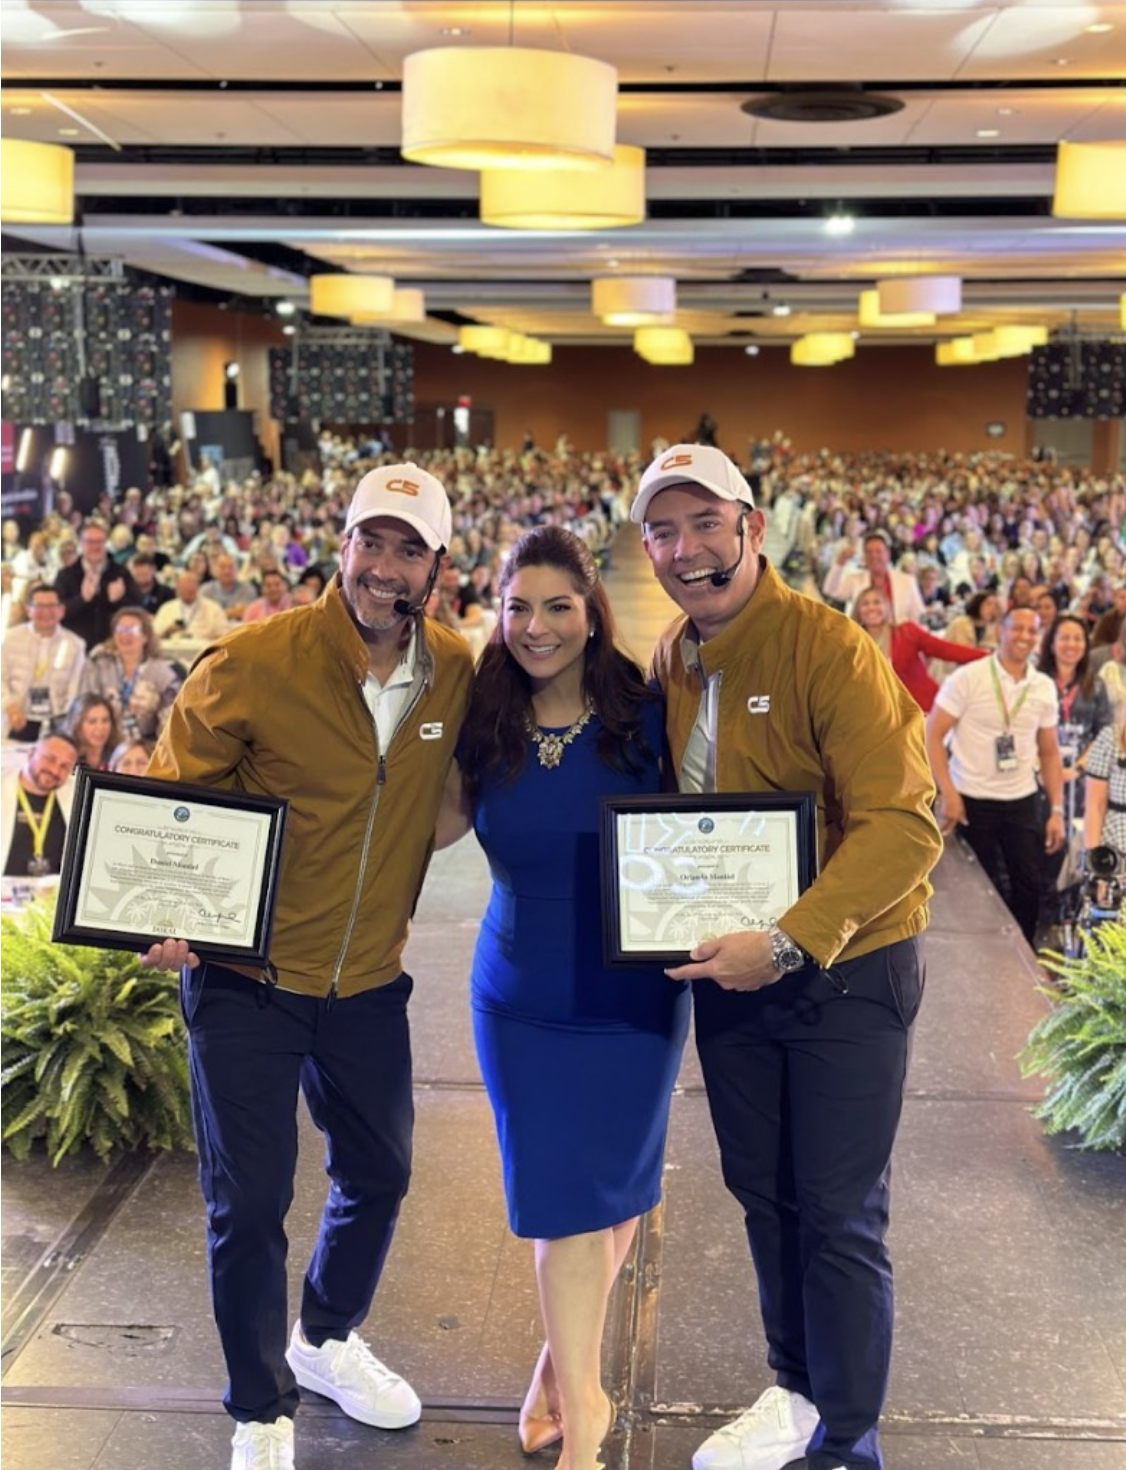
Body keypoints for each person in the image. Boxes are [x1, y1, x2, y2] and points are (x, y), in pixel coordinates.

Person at [141, 463, 473, 1470]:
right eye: (369, 540)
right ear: (340, 547)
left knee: (379, 1169)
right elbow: (169, 805)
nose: (383, 565)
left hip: (368, 976)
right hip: (248, 980)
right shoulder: (254, 659)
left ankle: (324, 1338)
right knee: (248, 1201)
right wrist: (159, 912)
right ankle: (259, 1406)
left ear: (438, 567)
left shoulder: (454, 673)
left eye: (408, 548)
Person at [631, 444, 942, 1470]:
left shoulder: (829, 649)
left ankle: (848, 1438)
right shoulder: (674, 656)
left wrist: (792, 940)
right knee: (764, 1191)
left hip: (847, 970)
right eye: (664, 532)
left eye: (705, 525)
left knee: (840, 1210)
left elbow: (904, 825)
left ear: (751, 530)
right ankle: (795, 1390)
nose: (687, 550)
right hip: (737, 973)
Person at [437, 526, 689, 1470]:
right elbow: (415, 831)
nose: (535, 627)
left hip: (632, 995)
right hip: (522, 997)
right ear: (496, 614)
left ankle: (557, 1366)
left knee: (615, 1196)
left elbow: (714, 827)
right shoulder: (481, 716)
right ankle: (586, 1411)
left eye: (557, 607)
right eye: (517, 607)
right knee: (560, 1203)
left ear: (592, 614)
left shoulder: (647, 713)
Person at [926, 607, 1065, 946]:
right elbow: (933, 734)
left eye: (1031, 631)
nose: (1024, 636)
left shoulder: (1043, 686)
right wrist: (949, 793)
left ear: (1039, 637)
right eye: (1016, 628)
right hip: (972, 799)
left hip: (1021, 798)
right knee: (982, 886)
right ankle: (985, 952)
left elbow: (1049, 750)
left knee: (1028, 883)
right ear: (1000, 631)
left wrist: (1058, 810)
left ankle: (1023, 952)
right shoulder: (968, 677)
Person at [852, 586, 987, 712]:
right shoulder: (852, 646)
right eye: (865, 604)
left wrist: (987, 656)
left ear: (887, 607)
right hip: (880, 716)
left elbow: (944, 649)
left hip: (921, 710)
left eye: (877, 602)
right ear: (858, 611)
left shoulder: (906, 632)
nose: (871, 608)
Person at [79, 606, 182, 741]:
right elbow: (85, 704)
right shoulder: (99, 665)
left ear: (145, 636)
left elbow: (171, 720)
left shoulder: (162, 672)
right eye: (120, 629)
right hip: (103, 741)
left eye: (131, 630)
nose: (125, 635)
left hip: (146, 744)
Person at [2, 584, 86, 742]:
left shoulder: (75, 644)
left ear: (61, 610)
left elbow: (76, 689)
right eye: (39, 606)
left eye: (52, 606)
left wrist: (65, 721)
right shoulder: (11, 639)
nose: (46, 612)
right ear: (28, 610)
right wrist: (9, 705)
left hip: (57, 721)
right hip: (16, 716)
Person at [1, 731, 79, 898]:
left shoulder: (76, 796)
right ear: (30, 754)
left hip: (54, 899)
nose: (54, 770)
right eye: (50, 759)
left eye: (65, 766)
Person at [55, 520, 141, 649]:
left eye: (100, 542)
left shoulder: (120, 573)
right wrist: (82, 599)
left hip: (114, 647)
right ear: (81, 544)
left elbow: (138, 610)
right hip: (75, 647)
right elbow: (56, 613)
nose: (95, 547)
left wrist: (117, 601)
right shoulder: (66, 575)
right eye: (90, 542)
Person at [822, 529, 925, 623]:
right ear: (864, 557)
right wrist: (840, 562)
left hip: (898, 639)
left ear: (888, 554)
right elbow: (830, 590)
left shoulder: (907, 581)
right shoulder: (855, 579)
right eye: (869, 552)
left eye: (878, 551)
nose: (874, 556)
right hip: (865, 638)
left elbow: (919, 617)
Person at [152, 569, 231, 643]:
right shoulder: (166, 609)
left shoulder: (213, 609)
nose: (188, 589)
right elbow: (155, 635)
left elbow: (225, 637)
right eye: (184, 587)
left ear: (198, 587)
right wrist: (167, 632)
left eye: (191, 586)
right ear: (177, 589)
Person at [62, 692, 122, 772]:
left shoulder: (119, 754)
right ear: (77, 724)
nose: (100, 728)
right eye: (92, 721)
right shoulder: (66, 757)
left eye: (105, 720)